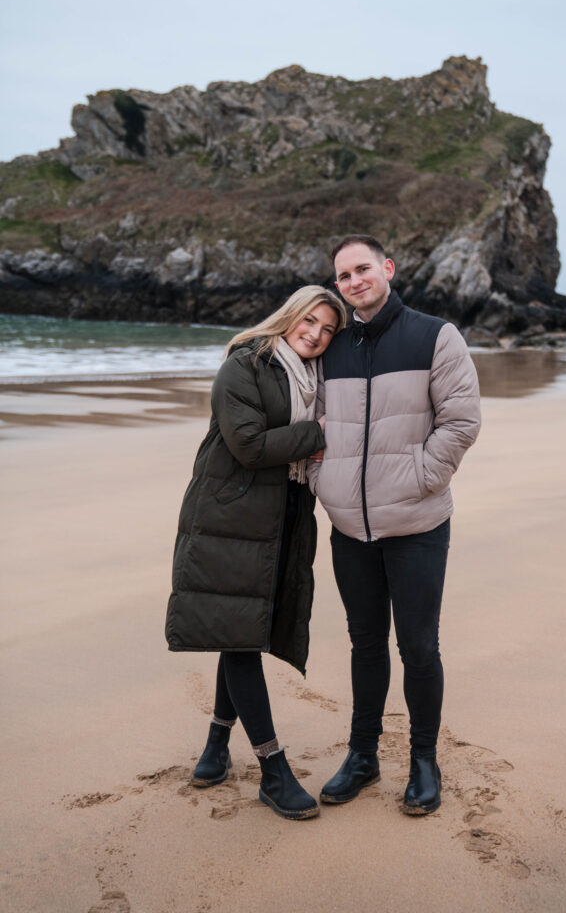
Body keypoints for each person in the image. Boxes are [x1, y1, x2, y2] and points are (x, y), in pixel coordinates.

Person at [307, 235, 481, 815]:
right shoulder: (332, 347)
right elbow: (309, 421)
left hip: (417, 523)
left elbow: (460, 421)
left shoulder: (434, 335)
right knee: (364, 644)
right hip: (349, 528)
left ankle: (424, 761)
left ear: (387, 268)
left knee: (418, 647)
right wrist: (322, 481)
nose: (353, 281)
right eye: (343, 276)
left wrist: (417, 478)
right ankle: (363, 756)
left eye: (362, 269)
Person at [165, 285, 346, 821]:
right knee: (240, 635)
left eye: (327, 329)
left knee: (241, 629)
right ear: (289, 317)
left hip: (286, 510)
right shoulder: (245, 365)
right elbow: (247, 446)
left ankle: (217, 746)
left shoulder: (319, 378)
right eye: (308, 321)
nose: (314, 334)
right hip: (230, 514)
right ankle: (272, 770)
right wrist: (317, 434)